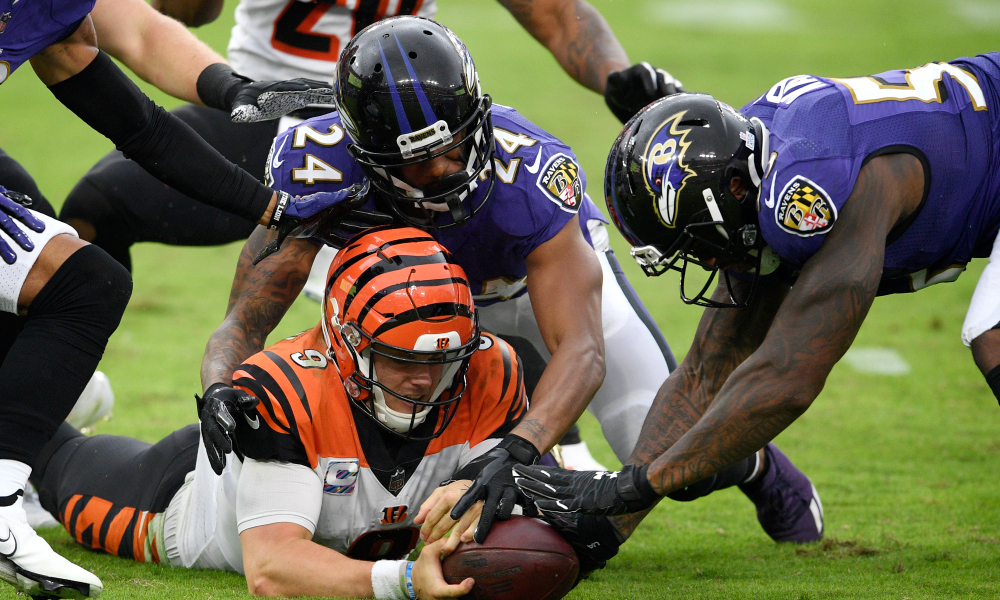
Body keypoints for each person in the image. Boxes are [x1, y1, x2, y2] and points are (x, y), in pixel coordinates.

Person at [198, 16, 822, 564]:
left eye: (454, 144)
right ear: (367, 154)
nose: (445, 168)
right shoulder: (319, 168)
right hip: (417, 316)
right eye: (418, 162)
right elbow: (245, 318)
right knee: (397, 408)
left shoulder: (529, 173)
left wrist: (517, 450)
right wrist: (222, 384)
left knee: (656, 447)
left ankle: (756, 464)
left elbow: (582, 350)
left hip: (527, 290)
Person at [512, 53, 1000, 555]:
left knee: (994, 335)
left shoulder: (813, 189)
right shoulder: (753, 171)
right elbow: (705, 373)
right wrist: (607, 527)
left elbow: (789, 377)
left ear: (732, 192)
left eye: (697, 243)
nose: (704, 261)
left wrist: (637, 484)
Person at [0, 0, 377, 595]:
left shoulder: (52, 12)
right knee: (84, 283)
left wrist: (271, 207)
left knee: (44, 235)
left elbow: (137, 117)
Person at [32, 227, 526, 599]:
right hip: (180, 504)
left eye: (443, 360)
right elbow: (271, 569)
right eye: (401, 359)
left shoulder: (489, 371)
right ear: (347, 341)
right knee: (45, 452)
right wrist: (405, 581)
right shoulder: (287, 390)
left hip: (291, 483)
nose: (425, 380)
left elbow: (512, 501)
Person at [58, 0, 682, 272]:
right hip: (269, 107)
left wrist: (615, 76)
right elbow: (184, 12)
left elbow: (555, 14)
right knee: (96, 211)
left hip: (409, 128)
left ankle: (552, 440)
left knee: (479, 272)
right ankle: (55, 416)